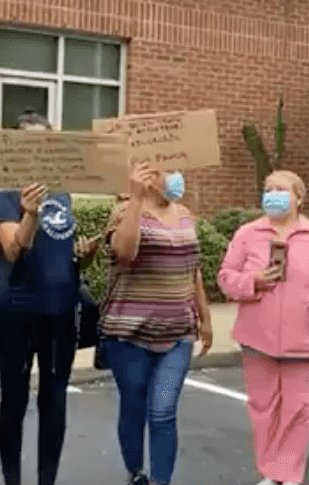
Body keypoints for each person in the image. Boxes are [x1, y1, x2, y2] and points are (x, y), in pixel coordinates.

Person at [0, 111, 103, 485]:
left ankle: (46, 479)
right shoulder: (2, 190)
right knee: (15, 399)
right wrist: (29, 214)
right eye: (31, 143)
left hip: (60, 312)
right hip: (18, 311)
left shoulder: (61, 191)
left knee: (54, 398)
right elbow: (13, 250)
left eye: (47, 142)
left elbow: (58, 251)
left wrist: (83, 255)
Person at [217, 170, 309, 485]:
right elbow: (226, 277)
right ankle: (270, 471)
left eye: (281, 189)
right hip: (257, 339)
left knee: (297, 410)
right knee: (263, 409)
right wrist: (253, 281)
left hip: (303, 339)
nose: (272, 194)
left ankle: (289, 474)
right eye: (268, 188)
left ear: (299, 199)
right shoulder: (248, 234)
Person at [100, 161, 214, 485]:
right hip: (129, 333)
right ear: (149, 177)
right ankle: (136, 471)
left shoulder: (185, 215)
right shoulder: (124, 212)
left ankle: (162, 480)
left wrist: (204, 316)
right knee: (133, 406)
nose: (177, 176)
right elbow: (124, 252)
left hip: (178, 333)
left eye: (179, 168)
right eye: (168, 170)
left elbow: (193, 268)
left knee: (163, 410)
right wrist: (136, 199)